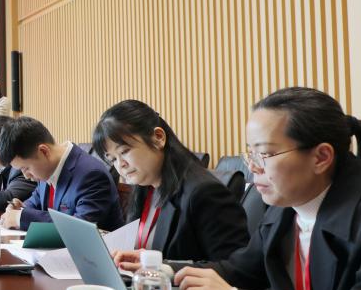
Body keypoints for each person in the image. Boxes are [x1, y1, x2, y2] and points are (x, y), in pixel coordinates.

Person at [175, 87, 361, 290]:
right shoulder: (283, 207)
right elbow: (241, 271)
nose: (253, 167)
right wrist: (164, 271)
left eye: (265, 154)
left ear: (321, 157)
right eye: (250, 154)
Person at [95, 100, 249, 265]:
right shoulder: (145, 187)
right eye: (113, 159)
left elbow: (232, 269)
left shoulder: (205, 192)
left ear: (158, 138)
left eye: (124, 151)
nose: (121, 165)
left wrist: (161, 267)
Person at [0, 116, 122, 231]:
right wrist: (19, 209)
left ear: (44, 151)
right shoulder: (47, 170)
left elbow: (79, 228)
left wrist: (20, 217)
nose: (26, 176)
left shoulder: (91, 175)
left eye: (25, 168)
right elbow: (35, 202)